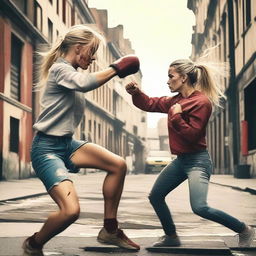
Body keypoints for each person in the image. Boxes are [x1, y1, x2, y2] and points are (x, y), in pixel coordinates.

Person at [22, 25, 141, 256]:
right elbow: (85, 83)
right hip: (46, 149)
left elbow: (84, 82)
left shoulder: (71, 72)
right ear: (78, 48)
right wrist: (117, 67)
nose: (94, 57)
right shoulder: (60, 69)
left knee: (118, 165)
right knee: (70, 211)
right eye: (92, 50)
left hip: (67, 145)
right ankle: (34, 244)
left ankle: (110, 230)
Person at [125, 58, 255, 247]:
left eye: (171, 76)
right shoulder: (175, 101)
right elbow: (151, 104)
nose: (168, 81)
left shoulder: (201, 102)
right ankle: (171, 237)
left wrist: (176, 116)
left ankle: (244, 229)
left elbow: (193, 136)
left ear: (184, 78)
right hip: (181, 161)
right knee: (156, 196)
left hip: (198, 162)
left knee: (200, 207)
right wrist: (136, 93)